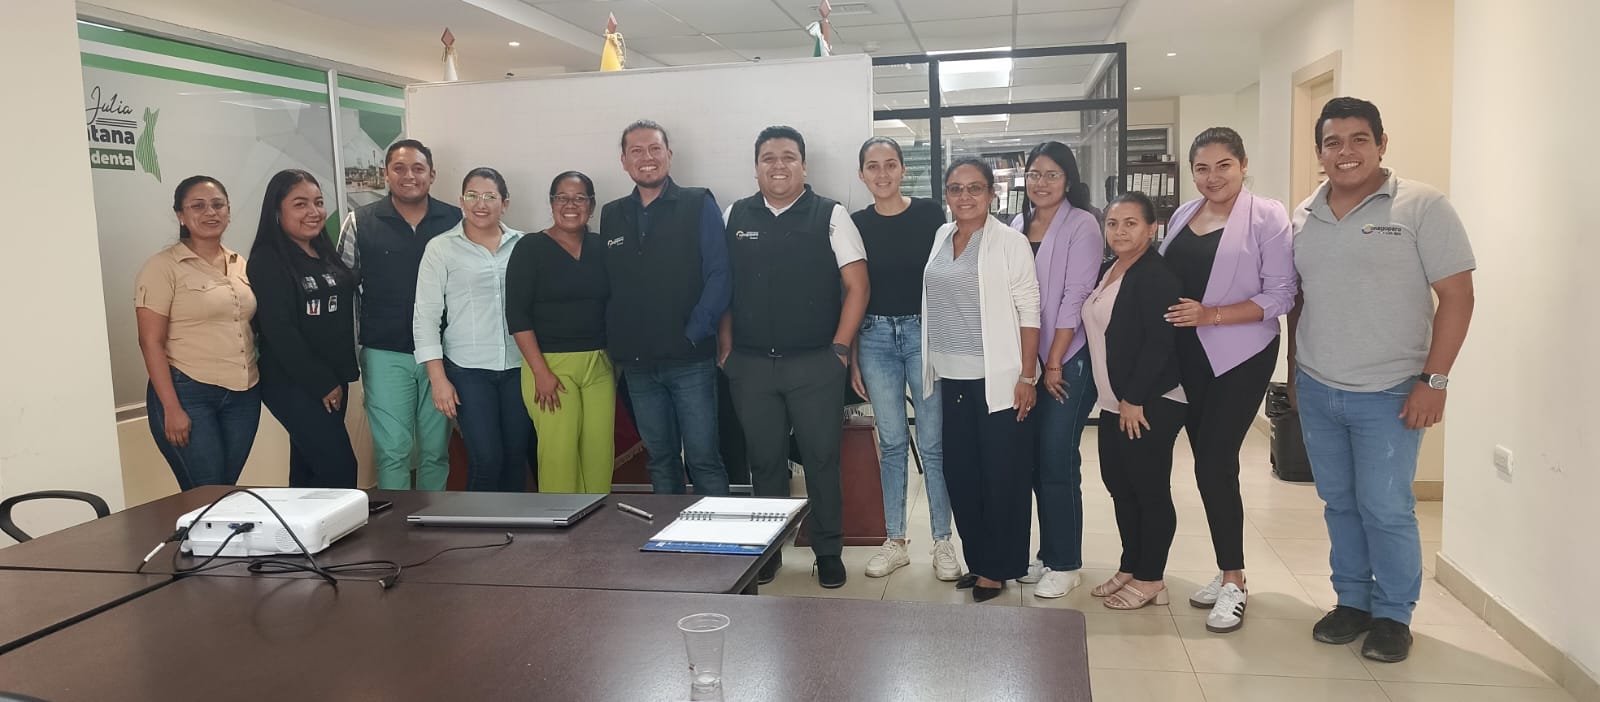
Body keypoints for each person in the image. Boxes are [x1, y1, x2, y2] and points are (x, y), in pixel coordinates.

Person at [1290, 97, 1475, 663]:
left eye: (1358, 139)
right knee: (1338, 502)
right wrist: (1293, 372)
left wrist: (1434, 381)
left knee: (1386, 507)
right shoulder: (1304, 214)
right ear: (1319, 151)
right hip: (1318, 385)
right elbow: (1299, 300)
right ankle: (1352, 602)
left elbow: (1458, 297)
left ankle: (1394, 614)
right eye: (1333, 142)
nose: (1345, 152)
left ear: (1381, 144)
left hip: (1392, 390)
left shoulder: (1421, 205)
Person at [1159, 127, 1297, 633]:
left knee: (1215, 461)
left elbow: (1281, 294)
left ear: (1243, 165)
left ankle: (1235, 580)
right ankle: (1225, 568)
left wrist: (1211, 316)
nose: (1212, 177)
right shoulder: (1183, 214)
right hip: (1188, 356)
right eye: (1202, 168)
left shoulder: (1268, 216)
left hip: (1241, 355)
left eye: (1223, 166)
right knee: (1207, 466)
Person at [719, 125, 869, 589]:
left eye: (788, 157)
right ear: (756, 167)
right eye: (768, 157)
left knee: (821, 461)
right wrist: (725, 350)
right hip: (751, 367)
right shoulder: (734, 215)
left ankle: (828, 551)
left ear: (803, 165)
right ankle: (768, 552)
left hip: (815, 366)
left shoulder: (830, 214)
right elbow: (720, 286)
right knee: (765, 463)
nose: (778, 165)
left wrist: (839, 350)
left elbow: (858, 287)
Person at [923, 158, 1041, 602]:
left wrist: (1027, 375)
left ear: (992, 194)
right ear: (946, 195)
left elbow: (1030, 309)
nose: (965, 196)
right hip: (950, 376)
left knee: (1002, 475)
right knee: (962, 473)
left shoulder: (1010, 242)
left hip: (999, 378)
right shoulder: (941, 235)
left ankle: (999, 567)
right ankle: (978, 561)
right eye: (956, 188)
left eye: (975, 188)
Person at [599, 120, 731, 496]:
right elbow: (608, 285)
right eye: (637, 151)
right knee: (660, 459)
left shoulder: (698, 202)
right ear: (624, 161)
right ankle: (669, 534)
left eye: (655, 149)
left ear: (669, 155)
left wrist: (694, 333)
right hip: (638, 364)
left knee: (703, 459)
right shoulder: (612, 214)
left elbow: (720, 274)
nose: (647, 157)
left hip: (690, 359)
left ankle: (720, 535)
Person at [849, 136, 958, 581]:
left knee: (932, 444)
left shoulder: (930, 214)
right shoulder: (855, 223)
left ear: (902, 169)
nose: (883, 173)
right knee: (893, 442)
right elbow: (851, 289)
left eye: (890, 164)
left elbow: (947, 279)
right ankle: (895, 541)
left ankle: (942, 541)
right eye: (873, 166)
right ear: (861, 174)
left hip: (922, 335)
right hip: (874, 338)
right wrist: (853, 354)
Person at [338, 140, 463, 490]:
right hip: (384, 353)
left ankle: (431, 518)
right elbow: (342, 291)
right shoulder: (360, 222)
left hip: (442, 354)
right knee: (393, 450)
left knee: (435, 451)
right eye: (399, 168)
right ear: (386, 174)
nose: (409, 176)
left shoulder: (456, 220)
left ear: (432, 175)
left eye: (418, 168)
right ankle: (396, 522)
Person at [1083, 191, 1187, 611]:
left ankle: (1151, 577)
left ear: (1151, 228)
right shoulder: (1110, 269)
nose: (1120, 231)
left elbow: (1159, 344)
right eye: (1113, 223)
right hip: (1115, 401)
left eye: (1130, 223)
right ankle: (1131, 565)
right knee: (1120, 486)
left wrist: (1134, 397)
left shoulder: (1156, 276)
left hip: (1149, 401)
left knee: (1149, 489)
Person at [1009, 141, 1103, 599]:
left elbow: (1075, 297)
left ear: (1068, 180)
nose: (1041, 183)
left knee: (1057, 459)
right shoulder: (1016, 225)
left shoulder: (1083, 224)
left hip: (1067, 361)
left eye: (1051, 174)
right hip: (1026, 361)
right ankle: (1048, 554)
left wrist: (1052, 362)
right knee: (1032, 462)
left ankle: (1066, 563)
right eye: (1034, 174)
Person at [135, 176, 260, 490]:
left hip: (243, 394)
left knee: (225, 489)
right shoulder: (163, 266)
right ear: (180, 215)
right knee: (204, 494)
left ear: (228, 211)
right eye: (198, 206)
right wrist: (171, 408)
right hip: (187, 392)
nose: (210, 212)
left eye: (218, 205)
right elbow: (150, 342)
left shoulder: (239, 263)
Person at [414, 167, 531, 492]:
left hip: (518, 367)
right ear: (461, 201)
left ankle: (515, 524)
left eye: (490, 196)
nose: (481, 203)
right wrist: (438, 380)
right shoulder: (441, 248)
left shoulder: (524, 244)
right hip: (468, 371)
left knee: (515, 457)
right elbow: (425, 317)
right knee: (487, 459)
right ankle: (478, 524)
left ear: (504, 203)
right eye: (472, 195)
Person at [248, 170, 360, 488]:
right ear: (276, 211)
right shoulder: (267, 260)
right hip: (295, 382)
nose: (314, 211)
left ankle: (296, 523)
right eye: (300, 204)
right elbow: (279, 330)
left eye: (318, 202)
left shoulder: (323, 251)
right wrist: (322, 382)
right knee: (339, 469)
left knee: (309, 469)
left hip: (332, 377)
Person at [507, 172, 613, 493]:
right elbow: (517, 315)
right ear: (551, 203)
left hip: (599, 365)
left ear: (591, 206)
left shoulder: (603, 247)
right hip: (549, 366)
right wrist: (540, 372)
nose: (570, 204)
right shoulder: (530, 248)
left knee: (599, 454)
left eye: (579, 198)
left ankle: (598, 522)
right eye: (562, 198)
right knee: (559, 456)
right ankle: (560, 525)